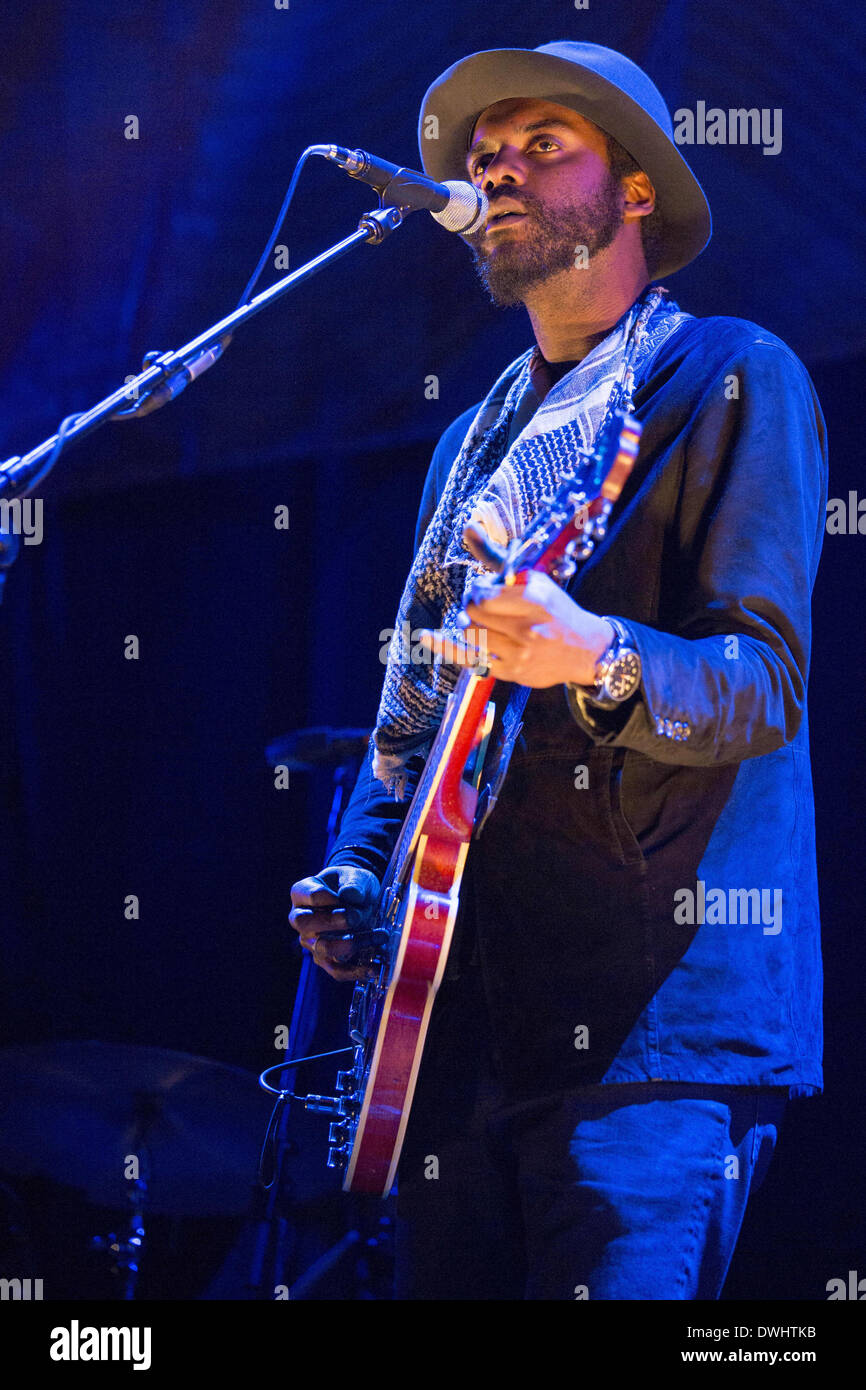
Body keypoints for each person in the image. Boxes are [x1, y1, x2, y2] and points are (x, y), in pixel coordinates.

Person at [289, 41, 828, 1300]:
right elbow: (411, 728)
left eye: (541, 146)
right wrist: (358, 872)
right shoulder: (471, 451)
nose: (497, 171)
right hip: (460, 1039)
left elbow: (763, 683)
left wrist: (600, 653)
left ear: (633, 189)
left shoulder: (730, 374)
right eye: (484, 160)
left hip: (651, 1032)